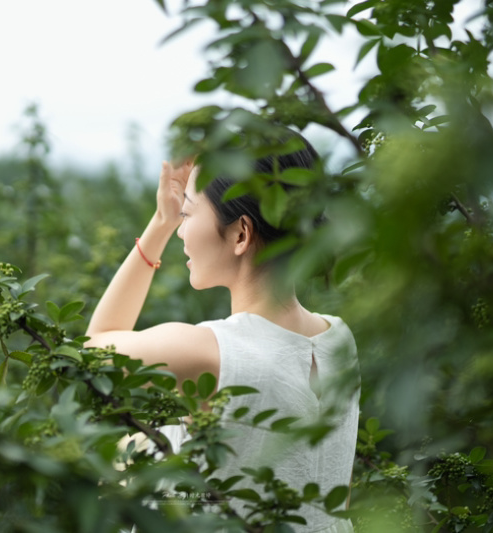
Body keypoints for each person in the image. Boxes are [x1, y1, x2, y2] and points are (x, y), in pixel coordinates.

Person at [85, 134, 360, 533]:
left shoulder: (211, 352)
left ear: (241, 234)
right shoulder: (339, 340)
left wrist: (159, 223)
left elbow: (92, 350)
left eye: (188, 213)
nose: (181, 228)